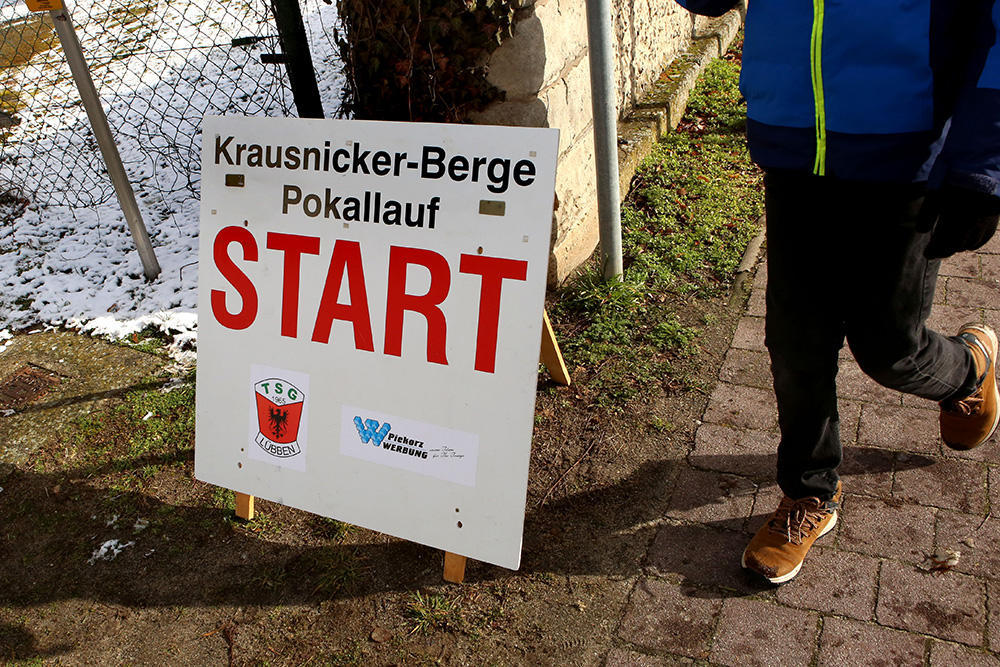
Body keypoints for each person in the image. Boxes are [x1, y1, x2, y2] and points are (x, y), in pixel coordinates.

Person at [675, 0, 1000, 583]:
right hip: (795, 142)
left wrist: (983, 167)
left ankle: (969, 369)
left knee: (889, 349)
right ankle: (809, 493)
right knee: (795, 341)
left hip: (908, 155)